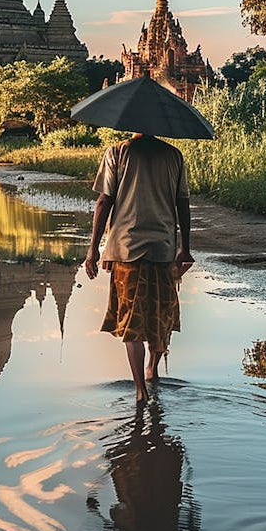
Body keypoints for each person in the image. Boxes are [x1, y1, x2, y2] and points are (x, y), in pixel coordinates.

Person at [85, 134, 194, 401]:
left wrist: (93, 248)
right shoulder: (173, 156)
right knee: (160, 314)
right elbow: (182, 203)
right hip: (162, 249)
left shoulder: (117, 153)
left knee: (131, 323)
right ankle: (151, 370)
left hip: (126, 250)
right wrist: (185, 247)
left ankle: (139, 390)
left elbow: (104, 201)